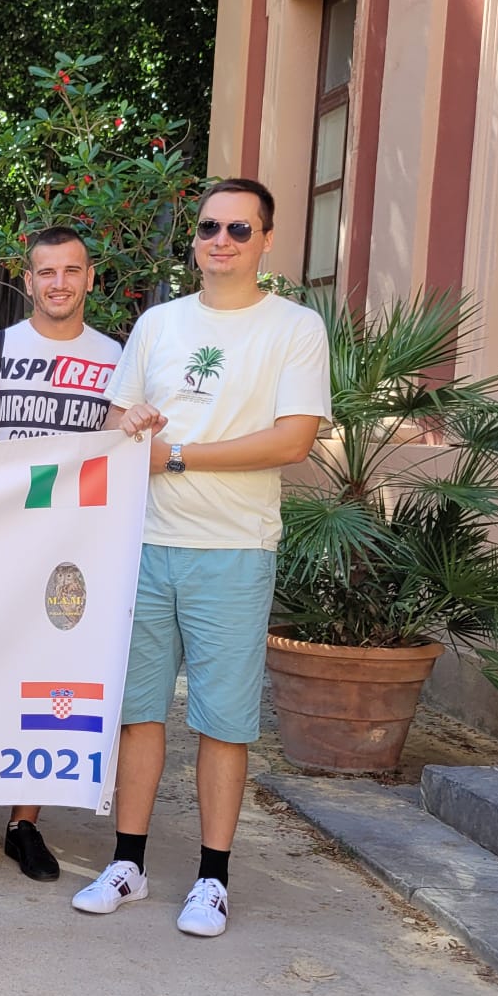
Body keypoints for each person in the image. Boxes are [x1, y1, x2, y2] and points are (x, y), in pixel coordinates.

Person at [75, 179, 330, 938]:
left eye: (239, 229)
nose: (222, 241)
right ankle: (128, 863)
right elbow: (116, 422)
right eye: (211, 227)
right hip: (145, 543)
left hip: (233, 548)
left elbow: (293, 439)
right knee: (138, 713)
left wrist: (179, 453)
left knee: (224, 721)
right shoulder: (158, 323)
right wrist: (133, 422)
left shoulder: (295, 328)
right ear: (195, 238)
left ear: (266, 240)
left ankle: (212, 879)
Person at [0, 227, 123, 886]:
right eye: (46, 272)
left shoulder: (116, 357)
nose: (59, 283)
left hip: (72, 547)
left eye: (71, 270)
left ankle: (23, 823)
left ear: (90, 278)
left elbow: (116, 453)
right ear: (30, 279)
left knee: (49, 681)